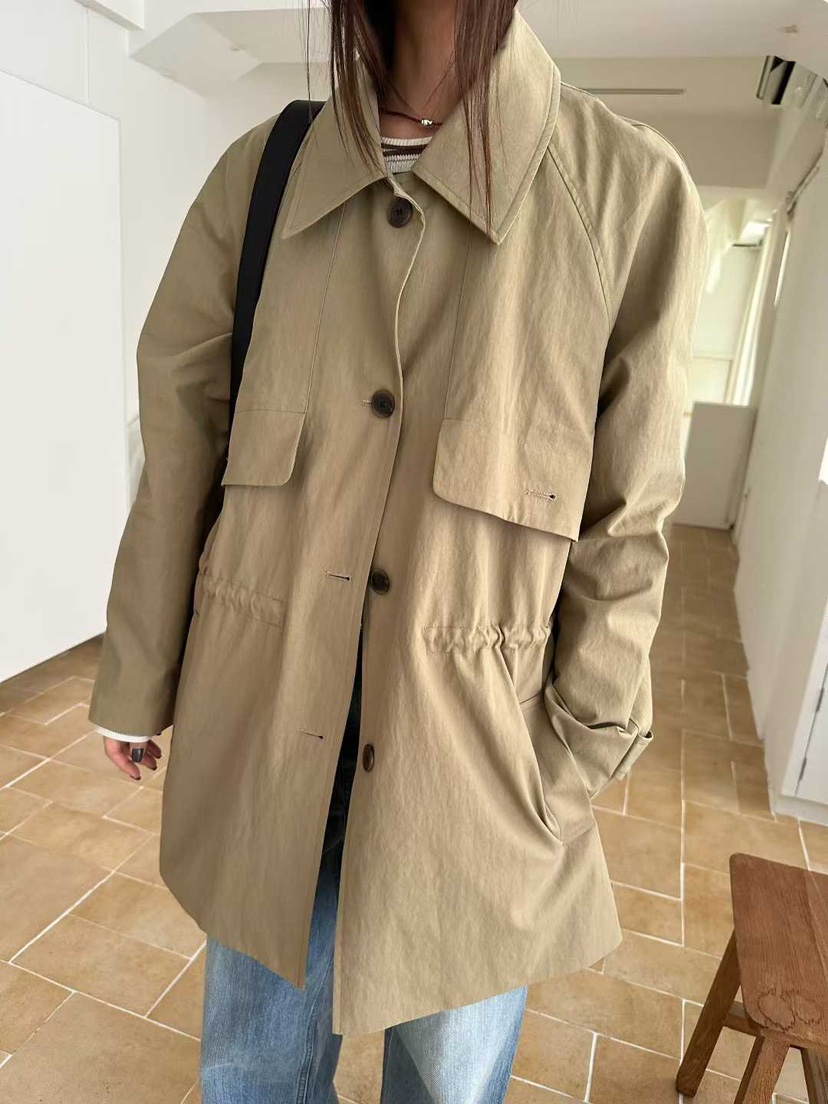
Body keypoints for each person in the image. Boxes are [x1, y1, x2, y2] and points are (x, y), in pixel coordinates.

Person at [89, 1, 709, 1100]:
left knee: (447, 1087)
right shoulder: (263, 176)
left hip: (477, 766)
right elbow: (181, 432)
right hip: (264, 725)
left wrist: (571, 761)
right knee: (254, 1075)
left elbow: (630, 515)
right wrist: (138, 676)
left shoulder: (630, 193)